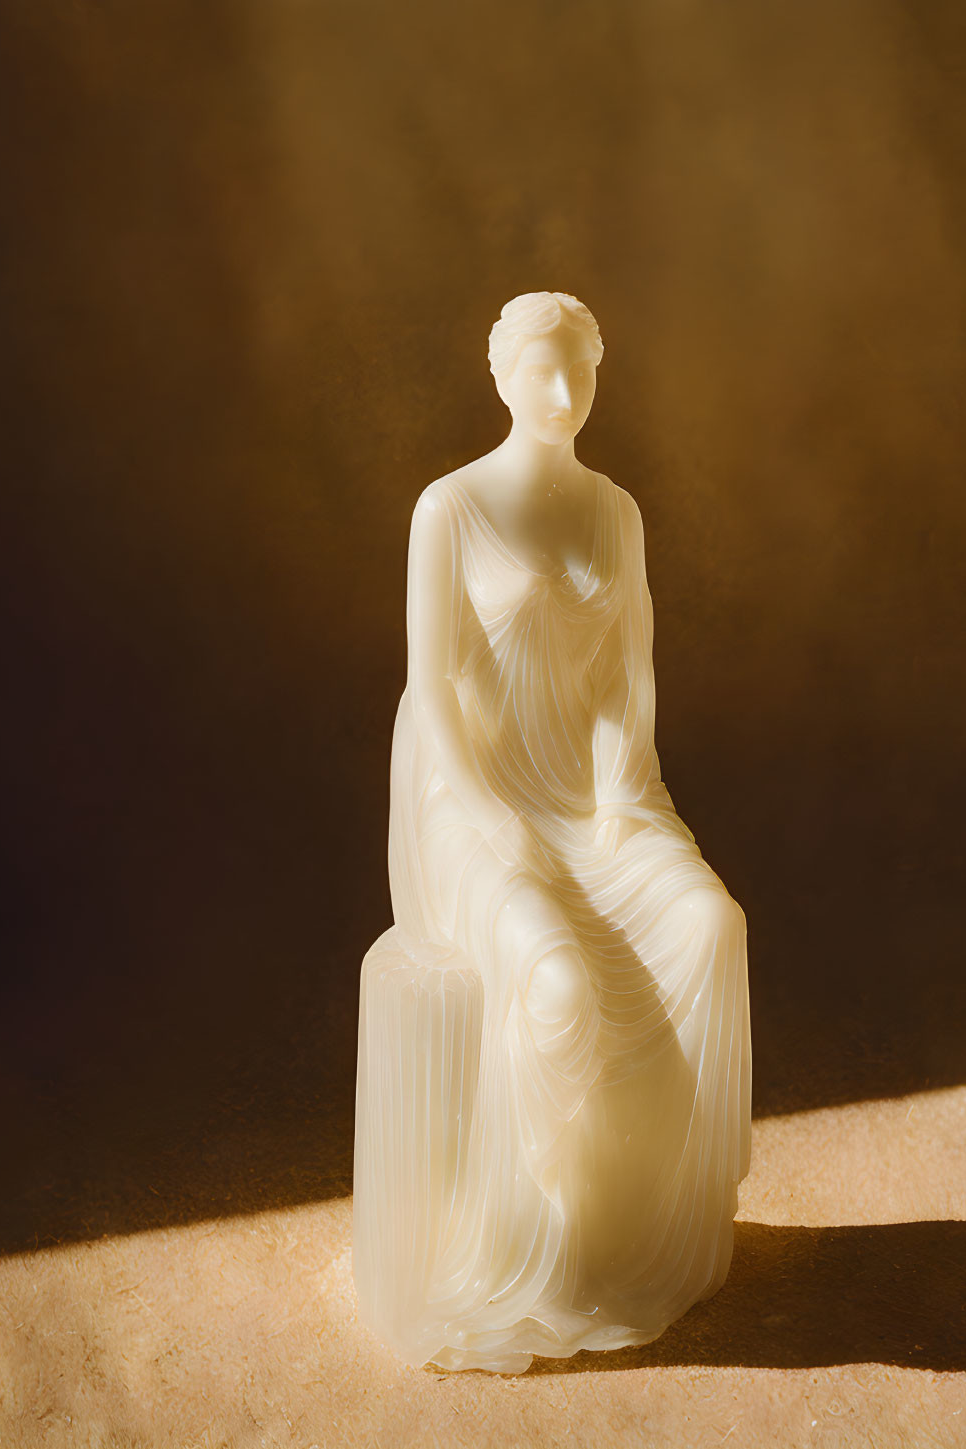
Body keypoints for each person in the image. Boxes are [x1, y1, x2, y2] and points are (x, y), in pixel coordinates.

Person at [367, 291, 751, 1372]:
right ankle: (538, 1246)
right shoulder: (448, 510)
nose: (562, 391)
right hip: (473, 796)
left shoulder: (616, 513)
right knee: (554, 982)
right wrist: (491, 819)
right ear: (499, 378)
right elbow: (432, 685)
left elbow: (631, 678)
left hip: (589, 797)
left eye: (579, 369)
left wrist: (627, 799)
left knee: (709, 925)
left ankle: (637, 1226)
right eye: (540, 369)